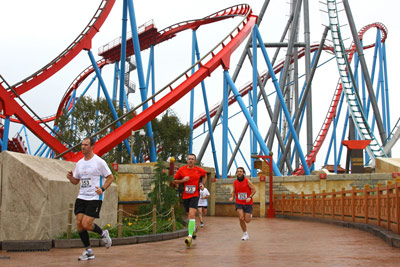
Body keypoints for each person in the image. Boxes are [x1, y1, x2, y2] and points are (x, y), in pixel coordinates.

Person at [66, 137, 115, 261]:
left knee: (86, 224)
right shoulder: (80, 163)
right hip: (82, 196)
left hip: (94, 197)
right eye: (82, 145)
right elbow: (76, 181)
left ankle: (103, 234)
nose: (83, 147)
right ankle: (88, 252)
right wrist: (70, 177)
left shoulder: (99, 162)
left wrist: (102, 189)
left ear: (92, 146)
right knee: (79, 225)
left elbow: (110, 178)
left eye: (86, 145)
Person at [173, 153, 207, 247]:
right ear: (187, 161)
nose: (191, 160)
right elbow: (174, 180)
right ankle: (194, 229)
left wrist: (202, 184)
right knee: (189, 216)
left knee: (192, 214)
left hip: (195, 195)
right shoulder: (182, 170)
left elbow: (205, 175)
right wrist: (183, 181)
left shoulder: (198, 170)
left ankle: (189, 237)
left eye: (192, 159)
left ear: (195, 161)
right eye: (189, 159)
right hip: (185, 196)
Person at [229, 167, 256, 241]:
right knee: (241, 218)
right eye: (238, 171)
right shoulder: (235, 182)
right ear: (236, 173)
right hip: (239, 202)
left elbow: (254, 190)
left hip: (248, 203)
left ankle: (249, 215)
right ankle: (245, 234)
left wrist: (250, 197)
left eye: (241, 171)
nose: (239, 173)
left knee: (247, 220)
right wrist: (232, 197)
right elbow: (234, 191)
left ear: (243, 173)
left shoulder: (247, 181)